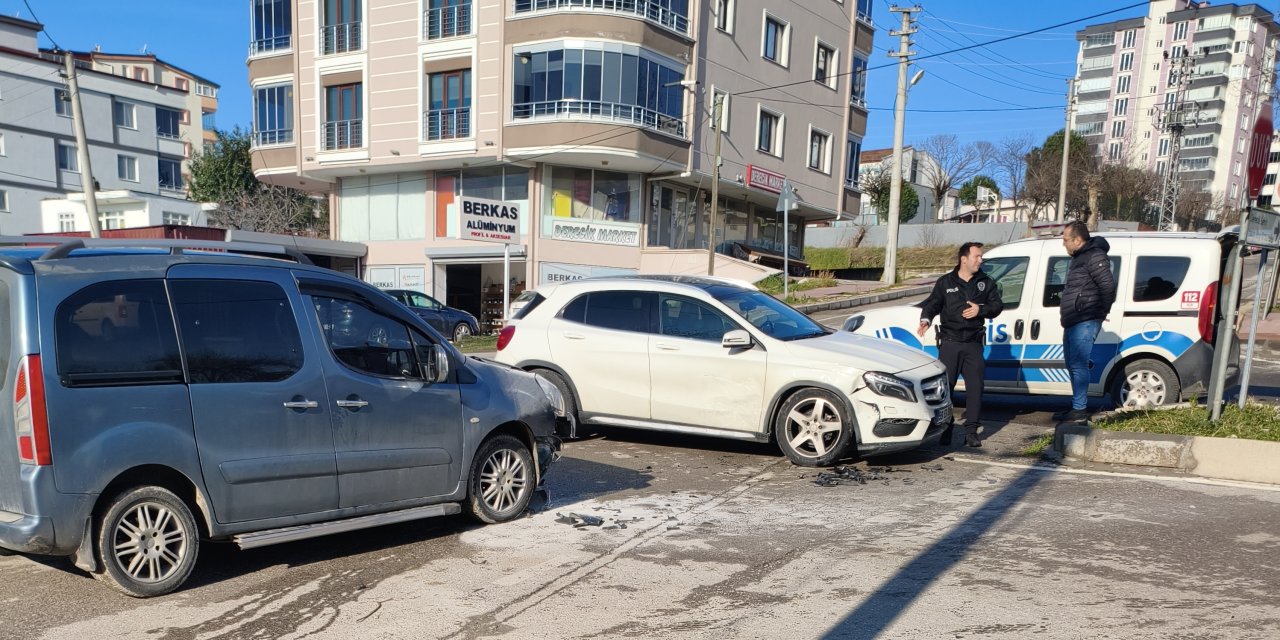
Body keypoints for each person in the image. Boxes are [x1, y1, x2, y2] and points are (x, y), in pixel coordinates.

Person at [917, 242, 1004, 448]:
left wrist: (980, 310)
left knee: (975, 389)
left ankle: (971, 431)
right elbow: (933, 303)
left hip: (973, 344)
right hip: (950, 343)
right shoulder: (946, 282)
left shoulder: (986, 281)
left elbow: (997, 306)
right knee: (945, 390)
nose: (980, 260)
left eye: (981, 257)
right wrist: (926, 319)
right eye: (977, 256)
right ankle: (945, 427)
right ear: (964, 259)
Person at [1054, 220, 1117, 424]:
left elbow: (1107, 287)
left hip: (1085, 318)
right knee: (1072, 364)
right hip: (1073, 319)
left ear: (1078, 239)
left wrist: (1100, 311)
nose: (1063, 244)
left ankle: (1079, 410)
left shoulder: (1094, 255)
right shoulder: (1080, 257)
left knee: (1079, 364)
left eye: (1065, 240)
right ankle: (1076, 407)